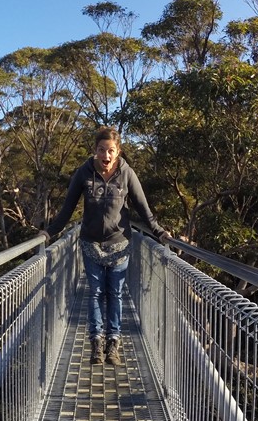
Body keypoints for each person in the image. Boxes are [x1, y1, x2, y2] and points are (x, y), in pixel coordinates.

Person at [43, 126, 171, 366]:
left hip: (119, 244)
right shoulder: (84, 173)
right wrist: (49, 233)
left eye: (111, 150)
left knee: (114, 294)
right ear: (95, 151)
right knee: (95, 293)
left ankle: (113, 343)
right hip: (91, 243)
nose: (106, 155)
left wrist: (159, 232)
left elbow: (144, 208)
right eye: (101, 150)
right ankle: (96, 343)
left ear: (118, 151)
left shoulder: (126, 173)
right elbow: (67, 209)